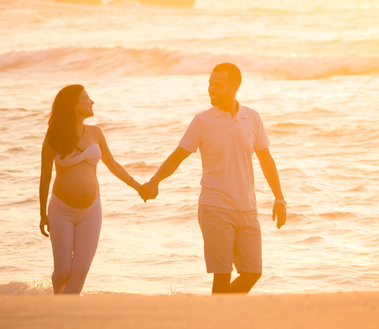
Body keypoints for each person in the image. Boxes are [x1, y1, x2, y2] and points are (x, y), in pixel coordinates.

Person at [141, 63, 285, 294]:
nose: (210, 89)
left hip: (247, 209)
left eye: (217, 85)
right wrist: (155, 180)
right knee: (222, 275)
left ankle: (215, 313)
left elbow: (266, 160)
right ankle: (219, 324)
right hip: (215, 207)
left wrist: (280, 199)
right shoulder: (202, 121)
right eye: (209, 84)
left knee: (253, 272)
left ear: (234, 86)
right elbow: (178, 156)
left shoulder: (252, 118)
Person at [39, 84, 142, 294]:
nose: (92, 101)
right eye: (87, 98)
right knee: (63, 271)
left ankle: (65, 315)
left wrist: (139, 187)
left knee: (82, 268)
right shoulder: (54, 135)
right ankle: (57, 301)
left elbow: (113, 165)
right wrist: (42, 213)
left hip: (91, 211)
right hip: (61, 210)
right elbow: (45, 176)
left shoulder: (96, 132)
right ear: (74, 105)